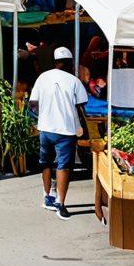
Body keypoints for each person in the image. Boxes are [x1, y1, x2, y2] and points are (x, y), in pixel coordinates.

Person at [29, 47, 89, 221]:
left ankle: (47, 197)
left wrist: (41, 116)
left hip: (46, 129)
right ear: (70, 63)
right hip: (66, 131)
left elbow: (33, 103)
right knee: (64, 166)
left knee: (46, 163)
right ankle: (60, 204)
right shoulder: (74, 81)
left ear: (55, 62)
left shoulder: (42, 77)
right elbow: (82, 105)